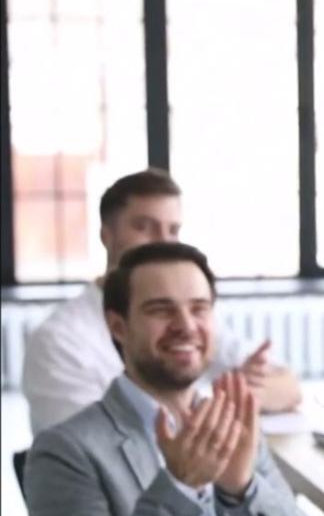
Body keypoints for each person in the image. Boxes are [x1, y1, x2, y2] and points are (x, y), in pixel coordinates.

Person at [23, 242, 324, 516]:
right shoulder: (65, 451)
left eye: (199, 308)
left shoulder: (232, 425)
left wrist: (244, 491)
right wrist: (179, 488)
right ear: (118, 326)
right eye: (161, 310)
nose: (186, 324)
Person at [22, 168, 302, 435]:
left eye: (173, 230)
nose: (163, 242)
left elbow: (288, 386)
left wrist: (235, 394)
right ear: (106, 236)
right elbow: (96, 452)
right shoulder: (59, 342)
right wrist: (223, 401)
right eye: (145, 227)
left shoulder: (188, 321)